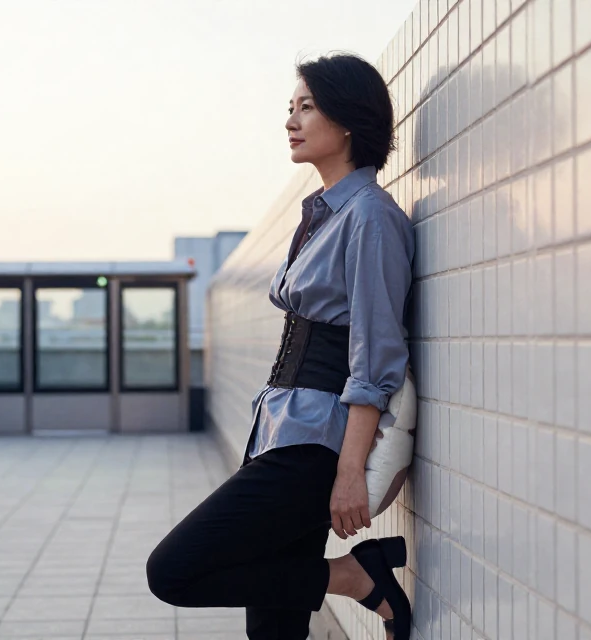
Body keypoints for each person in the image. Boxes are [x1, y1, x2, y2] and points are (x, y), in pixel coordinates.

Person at [146, 52, 415, 640]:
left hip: (316, 445)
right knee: (274, 629)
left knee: (172, 571)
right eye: (290, 108)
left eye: (307, 107)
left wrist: (349, 473)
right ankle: (352, 575)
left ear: (346, 121)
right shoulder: (322, 214)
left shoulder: (369, 217)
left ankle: (352, 577)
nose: (291, 121)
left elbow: (376, 357)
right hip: (281, 429)